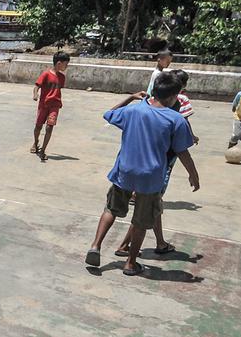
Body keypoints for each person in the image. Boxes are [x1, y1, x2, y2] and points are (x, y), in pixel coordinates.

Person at [85, 72, 200, 276]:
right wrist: (193, 174)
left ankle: (95, 245)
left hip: (125, 171)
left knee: (111, 209)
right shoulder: (175, 120)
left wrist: (129, 98)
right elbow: (183, 151)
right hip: (151, 177)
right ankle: (130, 263)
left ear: (153, 91)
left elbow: (108, 114)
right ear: (175, 97)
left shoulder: (134, 111)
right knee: (140, 220)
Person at [110, 69, 198, 256]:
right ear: (178, 91)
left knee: (152, 206)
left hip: (140, 166)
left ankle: (157, 242)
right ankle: (129, 249)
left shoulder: (146, 106)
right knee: (149, 209)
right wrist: (193, 173)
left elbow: (112, 115)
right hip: (157, 167)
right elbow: (183, 148)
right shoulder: (175, 109)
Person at [31, 52, 70, 162]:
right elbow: (36, 86)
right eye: (65, 64)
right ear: (59, 63)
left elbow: (57, 90)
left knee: (49, 127)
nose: (66, 67)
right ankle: (35, 142)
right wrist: (35, 94)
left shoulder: (62, 77)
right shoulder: (46, 74)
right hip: (43, 105)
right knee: (38, 126)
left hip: (55, 106)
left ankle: (43, 150)